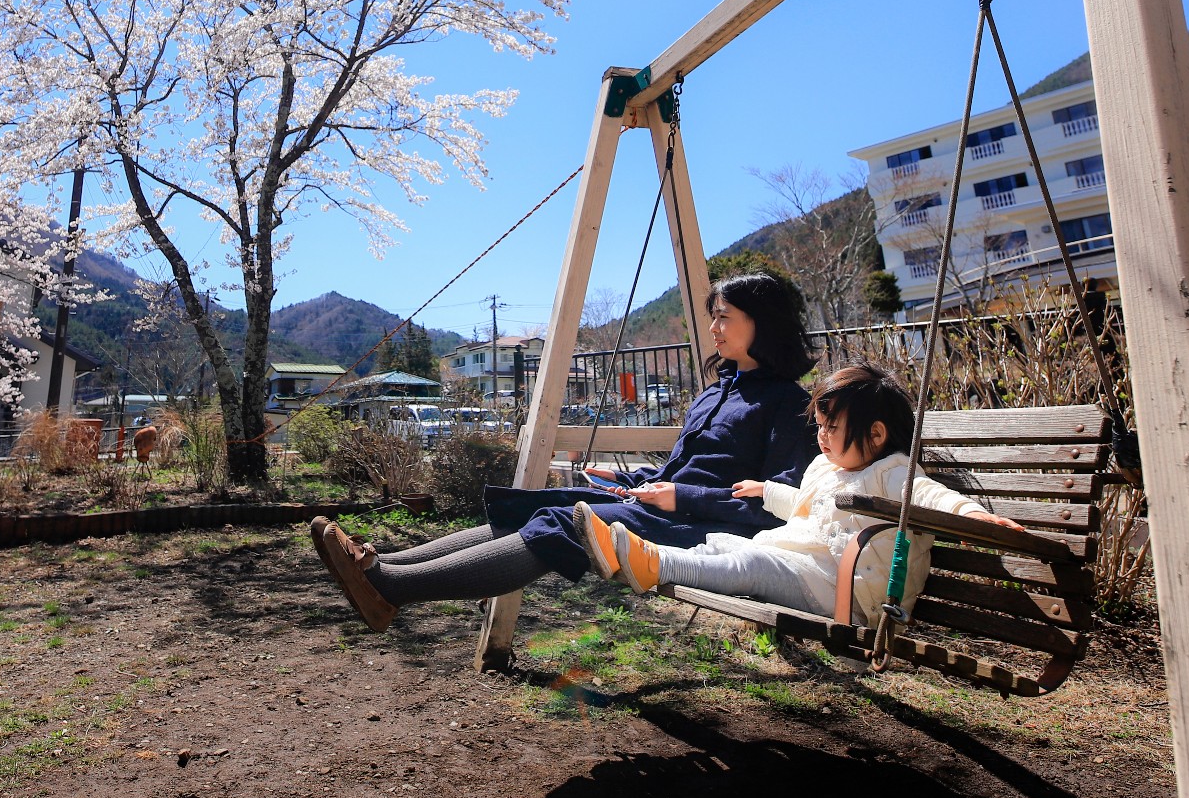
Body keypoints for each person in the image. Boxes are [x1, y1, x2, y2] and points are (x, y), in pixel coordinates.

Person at [310, 270, 818, 632]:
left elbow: (779, 505)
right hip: (664, 506)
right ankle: (384, 567)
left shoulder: (789, 404)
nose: (713, 329)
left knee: (565, 523)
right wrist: (643, 480)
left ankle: (391, 588)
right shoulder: (716, 390)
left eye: (724, 318)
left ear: (761, 322)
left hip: (704, 531)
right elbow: (687, 466)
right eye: (713, 318)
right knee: (531, 504)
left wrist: (682, 497)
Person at [581, 363, 1022, 624]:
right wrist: (768, 491)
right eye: (821, 427)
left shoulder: (892, 471)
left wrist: (974, 516)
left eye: (833, 428)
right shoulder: (827, 468)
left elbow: (928, 496)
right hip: (812, 570)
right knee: (723, 543)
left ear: (876, 433)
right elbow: (807, 508)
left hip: (850, 591)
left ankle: (652, 563)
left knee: (750, 563)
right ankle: (633, 555)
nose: (823, 437)